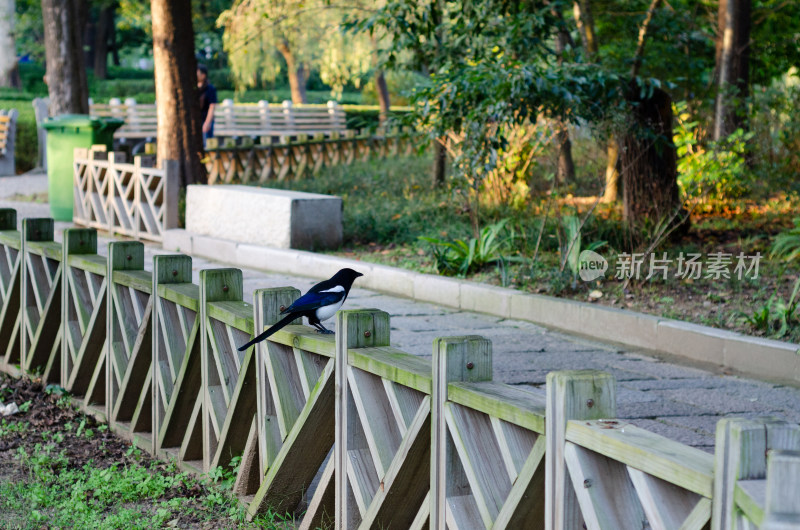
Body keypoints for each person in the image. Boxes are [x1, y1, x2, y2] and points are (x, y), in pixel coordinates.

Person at [197, 64, 217, 146]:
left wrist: (207, 122)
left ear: (203, 75)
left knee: (207, 144)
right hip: (196, 120)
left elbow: (212, 106)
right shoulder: (194, 89)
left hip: (206, 119)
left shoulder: (210, 89)